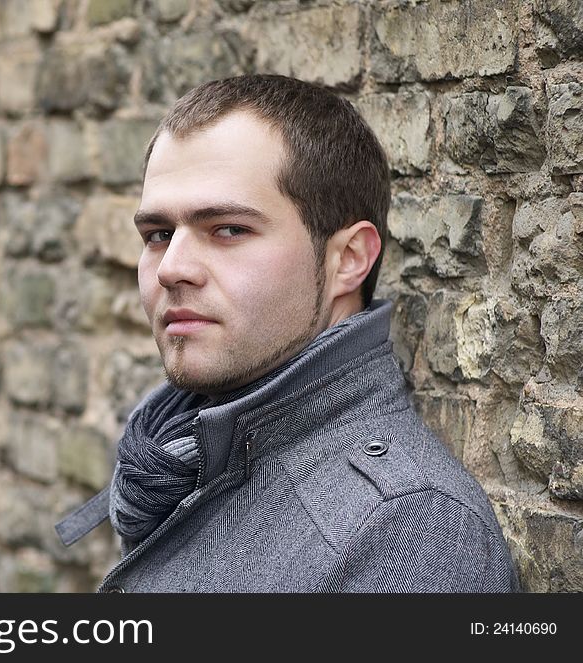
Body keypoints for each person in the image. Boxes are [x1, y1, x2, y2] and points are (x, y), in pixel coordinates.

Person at [55, 74, 520, 593]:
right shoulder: (172, 458)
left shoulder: (411, 531)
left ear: (348, 259)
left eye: (228, 229)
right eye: (159, 234)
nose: (171, 268)